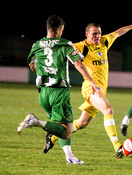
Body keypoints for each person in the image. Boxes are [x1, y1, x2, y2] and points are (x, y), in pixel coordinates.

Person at [43, 19, 132, 158]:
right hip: (90, 88)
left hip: (101, 90)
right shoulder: (81, 47)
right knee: (108, 109)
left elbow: (119, 32)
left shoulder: (105, 41)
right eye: (94, 34)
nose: (97, 36)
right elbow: (63, 47)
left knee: (82, 123)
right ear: (87, 34)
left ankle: (53, 137)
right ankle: (117, 146)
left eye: (99, 33)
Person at [17, 15, 100, 165]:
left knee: (60, 127)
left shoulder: (37, 44)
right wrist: (92, 81)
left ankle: (69, 157)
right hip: (59, 92)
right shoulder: (65, 44)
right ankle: (35, 121)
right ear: (58, 30)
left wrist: (43, 73)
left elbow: (31, 64)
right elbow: (79, 65)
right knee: (66, 130)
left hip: (43, 93)